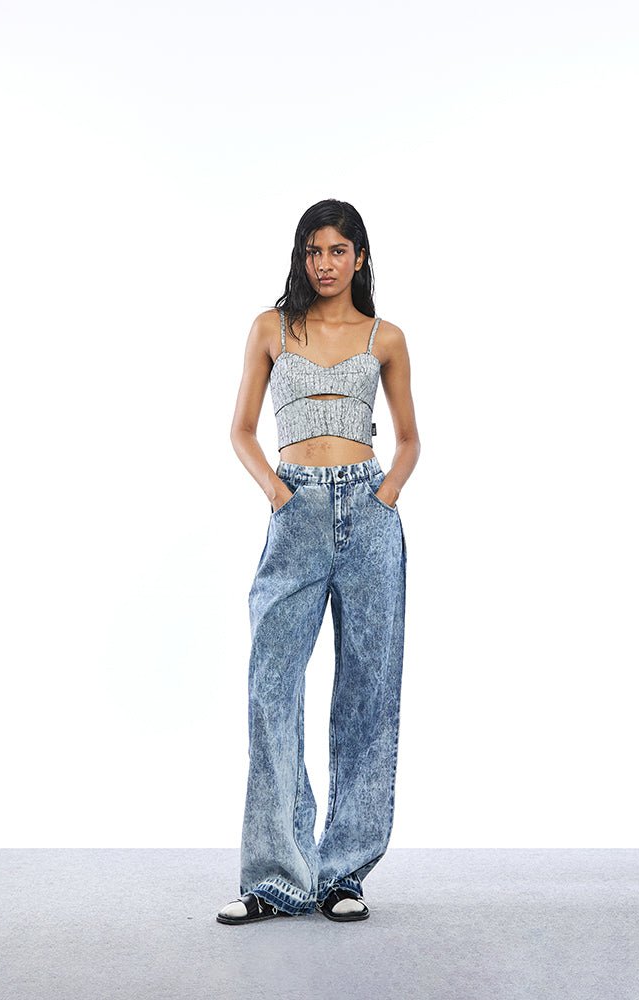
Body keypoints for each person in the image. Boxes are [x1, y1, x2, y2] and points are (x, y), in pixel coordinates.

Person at [217, 198, 420, 925]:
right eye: (313, 250)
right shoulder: (270, 329)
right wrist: (279, 495)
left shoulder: (385, 337)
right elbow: (241, 430)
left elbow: (410, 439)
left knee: (368, 694)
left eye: (337, 250)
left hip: (369, 514)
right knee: (272, 688)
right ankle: (277, 880)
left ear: (359, 257)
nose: (324, 264)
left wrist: (386, 496)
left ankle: (342, 876)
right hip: (296, 511)